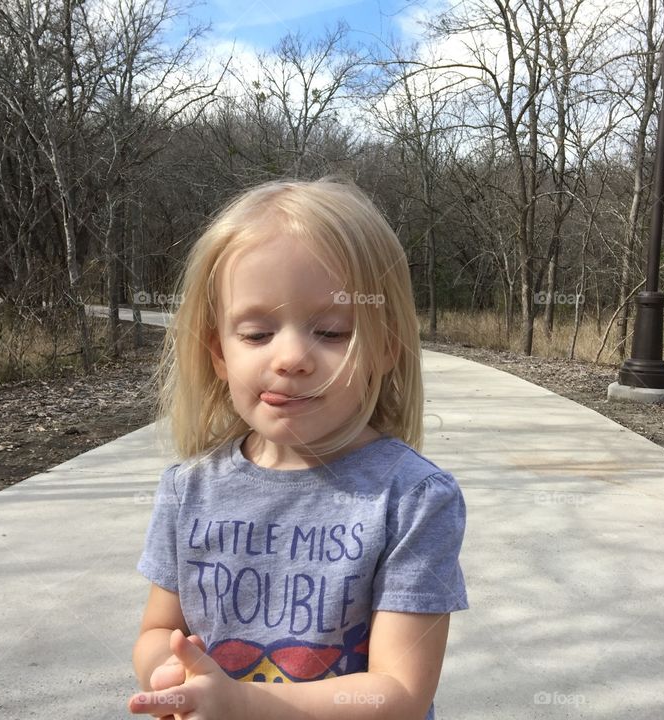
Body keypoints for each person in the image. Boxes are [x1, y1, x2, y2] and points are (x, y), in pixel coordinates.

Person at [128, 176, 469, 720]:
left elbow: (401, 692)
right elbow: (158, 630)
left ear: (385, 349)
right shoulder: (188, 490)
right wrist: (173, 675)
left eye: (331, 332)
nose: (290, 357)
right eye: (257, 334)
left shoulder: (412, 499)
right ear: (218, 353)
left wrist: (244, 702)